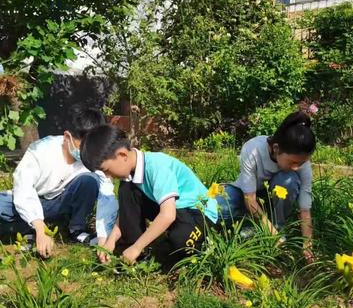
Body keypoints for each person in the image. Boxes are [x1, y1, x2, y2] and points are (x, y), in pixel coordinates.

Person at [80, 124, 218, 265]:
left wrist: (137, 247)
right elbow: (126, 213)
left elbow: (168, 215)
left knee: (180, 244)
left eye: (106, 170)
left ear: (122, 155)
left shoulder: (156, 167)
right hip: (175, 209)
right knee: (126, 189)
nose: (107, 176)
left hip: (199, 212)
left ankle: (147, 250)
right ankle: (132, 249)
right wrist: (111, 240)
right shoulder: (130, 176)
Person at [0, 108, 118, 258]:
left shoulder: (93, 159)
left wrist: (103, 239)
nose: (87, 153)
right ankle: (28, 230)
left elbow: (106, 195)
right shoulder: (41, 150)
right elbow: (23, 189)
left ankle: (76, 229)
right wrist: (40, 229)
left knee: (89, 180)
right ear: (67, 137)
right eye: (83, 147)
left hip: (59, 202)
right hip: (34, 200)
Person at [216, 111, 316, 262]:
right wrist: (271, 234)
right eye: (293, 162)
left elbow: (304, 208)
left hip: (274, 200)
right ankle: (260, 229)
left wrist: (307, 245)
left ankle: (277, 227)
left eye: (301, 163)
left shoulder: (301, 163)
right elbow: (249, 199)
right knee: (218, 207)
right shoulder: (252, 150)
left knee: (288, 179)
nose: (297, 167)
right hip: (247, 196)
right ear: (276, 149)